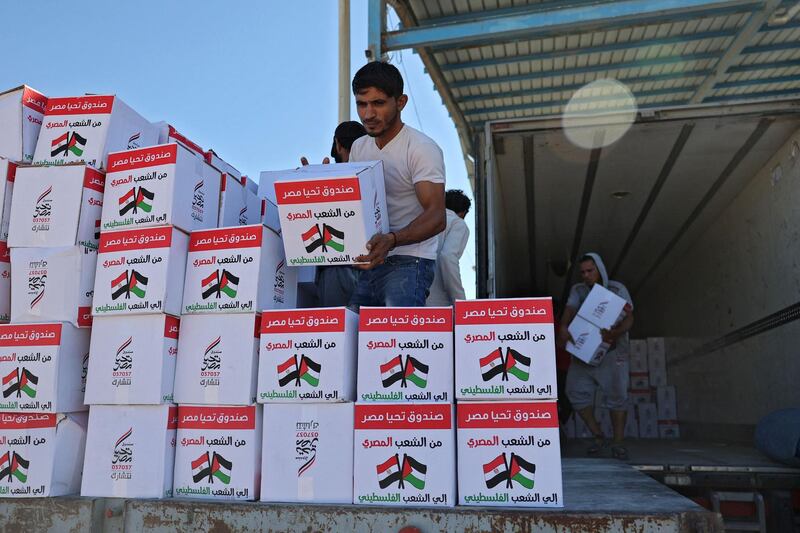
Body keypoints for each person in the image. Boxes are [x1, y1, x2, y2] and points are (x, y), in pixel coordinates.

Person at [347, 61, 446, 308]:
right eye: (362, 104)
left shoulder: (421, 148)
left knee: (397, 340)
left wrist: (391, 240)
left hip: (410, 261)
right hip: (370, 261)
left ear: (400, 102)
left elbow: (436, 216)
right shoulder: (359, 147)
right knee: (354, 340)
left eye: (378, 103)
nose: (368, 114)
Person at [558, 253, 634, 460]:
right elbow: (570, 309)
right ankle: (598, 434)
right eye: (582, 272)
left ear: (599, 269)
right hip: (583, 354)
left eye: (590, 271)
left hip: (611, 352)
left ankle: (618, 443)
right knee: (574, 392)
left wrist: (616, 333)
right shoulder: (578, 290)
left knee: (617, 396)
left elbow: (629, 318)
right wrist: (563, 326)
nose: (586, 275)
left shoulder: (616, 290)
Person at [299, 121, 367, 307]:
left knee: (337, 331)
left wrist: (307, 183)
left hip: (337, 268)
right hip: (376, 269)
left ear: (337, 144)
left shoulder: (325, 179)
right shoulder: (377, 176)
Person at [426, 189, 470, 306]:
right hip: (439, 303)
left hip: (414, 297)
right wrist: (460, 301)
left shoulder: (424, 221)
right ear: (463, 213)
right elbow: (448, 257)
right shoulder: (458, 223)